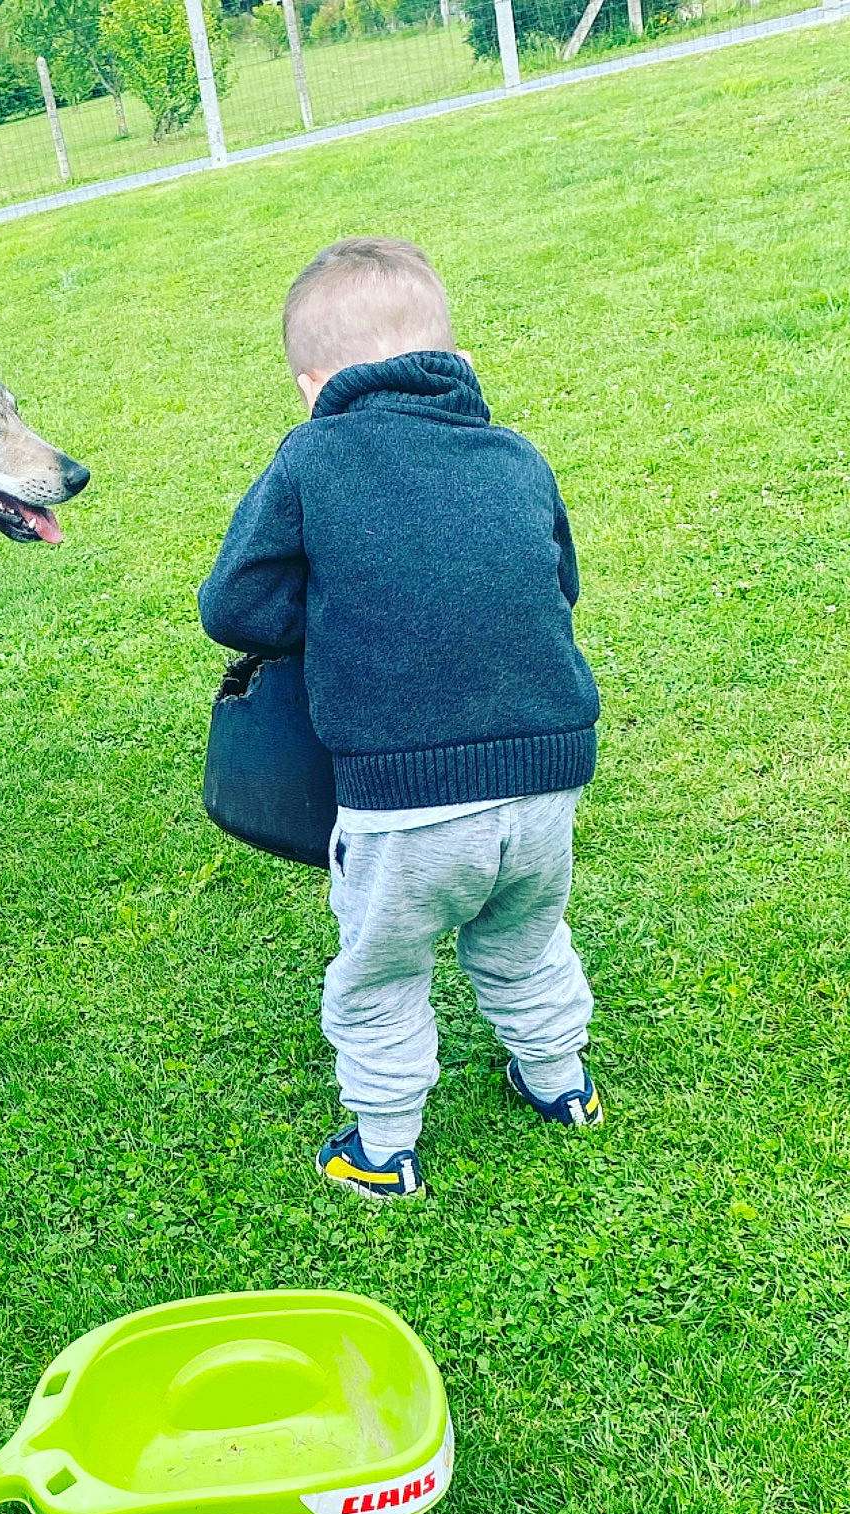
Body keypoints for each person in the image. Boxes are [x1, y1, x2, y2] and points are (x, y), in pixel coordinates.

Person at [199, 236, 603, 1200]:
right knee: (526, 937)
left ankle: (382, 1149)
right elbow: (560, 584)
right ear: (457, 361)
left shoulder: (312, 456)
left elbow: (235, 606)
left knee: (381, 971)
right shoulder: (517, 454)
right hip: (545, 784)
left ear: (312, 388)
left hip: (403, 804)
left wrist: (337, 612)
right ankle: (562, 1083)